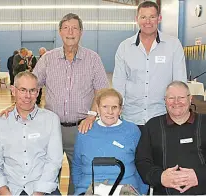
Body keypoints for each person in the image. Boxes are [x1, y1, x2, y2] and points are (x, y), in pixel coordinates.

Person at [0, 13, 109, 194]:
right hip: (50, 127)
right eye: (66, 28)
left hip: (82, 128)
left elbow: (102, 92)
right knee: (48, 172)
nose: (70, 32)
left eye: (74, 28)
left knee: (80, 174)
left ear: (81, 32)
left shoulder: (93, 59)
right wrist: (15, 106)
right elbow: (31, 85)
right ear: (60, 32)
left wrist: (92, 116)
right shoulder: (47, 59)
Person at [112, 1, 187, 131]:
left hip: (162, 116)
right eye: (143, 17)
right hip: (131, 118)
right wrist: (116, 111)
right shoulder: (124, 47)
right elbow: (119, 82)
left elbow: (180, 83)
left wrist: (179, 112)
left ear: (159, 18)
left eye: (152, 17)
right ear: (137, 19)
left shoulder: (173, 45)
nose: (148, 21)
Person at [0, 71, 63, 196]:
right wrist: (4, 192)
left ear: (38, 92)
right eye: (23, 90)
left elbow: (54, 161)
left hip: (42, 188)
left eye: (32, 90)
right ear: (13, 91)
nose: (27, 96)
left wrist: (39, 192)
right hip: (9, 187)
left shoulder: (51, 120)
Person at [72, 88, 148, 195]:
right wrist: (80, 189)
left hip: (125, 188)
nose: (110, 112)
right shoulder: (85, 131)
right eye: (105, 107)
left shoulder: (132, 131)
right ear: (97, 109)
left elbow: (142, 165)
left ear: (120, 110)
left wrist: (142, 192)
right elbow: (77, 165)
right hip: (89, 188)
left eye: (114, 107)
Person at [135, 81, 206, 195]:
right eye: (171, 98)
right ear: (165, 101)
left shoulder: (204, 123)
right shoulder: (152, 126)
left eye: (181, 97)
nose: (176, 102)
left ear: (190, 98)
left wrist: (199, 176)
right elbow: (142, 161)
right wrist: (161, 177)